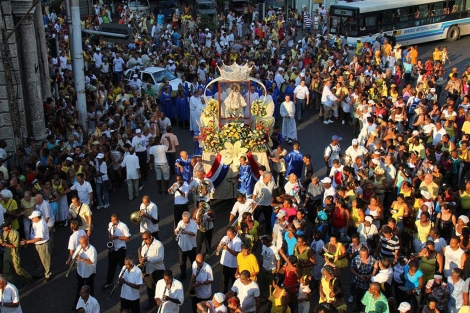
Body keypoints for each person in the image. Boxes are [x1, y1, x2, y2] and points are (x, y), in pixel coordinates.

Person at [19, 211, 51, 282]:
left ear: (37, 218)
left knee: (45, 260)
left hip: (42, 244)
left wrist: (26, 242)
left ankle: (48, 274)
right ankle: (38, 273)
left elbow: (38, 238)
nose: (32, 219)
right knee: (36, 259)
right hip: (36, 243)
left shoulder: (41, 225)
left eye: (33, 218)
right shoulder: (36, 222)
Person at [102, 214, 130, 290]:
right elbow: (109, 232)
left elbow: (128, 238)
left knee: (123, 266)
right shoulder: (110, 224)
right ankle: (109, 282)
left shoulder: (123, 226)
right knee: (111, 266)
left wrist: (117, 237)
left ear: (118, 219)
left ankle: (127, 281)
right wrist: (110, 236)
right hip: (113, 248)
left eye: (114, 220)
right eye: (112, 220)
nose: (113, 222)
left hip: (121, 248)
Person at [1, 219, 32, 285]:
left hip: (14, 252)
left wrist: (5, 244)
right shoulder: (4, 232)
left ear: (9, 226)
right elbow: (4, 241)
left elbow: (15, 246)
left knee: (18, 270)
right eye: (3, 227)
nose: (3, 228)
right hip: (7, 252)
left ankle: (28, 277)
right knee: (7, 270)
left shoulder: (15, 233)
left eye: (5, 227)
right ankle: (10, 284)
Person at [69, 235, 97, 306]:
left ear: (87, 242)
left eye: (82, 243)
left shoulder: (92, 250)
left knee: (89, 289)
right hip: (80, 272)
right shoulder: (79, 247)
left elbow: (92, 262)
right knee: (79, 289)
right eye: (80, 243)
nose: (81, 245)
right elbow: (74, 257)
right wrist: (74, 259)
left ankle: (91, 304)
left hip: (89, 273)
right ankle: (77, 304)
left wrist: (82, 259)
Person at [218, 226, 243, 293]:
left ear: (234, 233)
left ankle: (234, 296)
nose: (228, 236)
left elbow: (237, 253)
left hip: (233, 265)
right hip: (224, 263)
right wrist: (221, 245)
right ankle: (223, 294)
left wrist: (228, 249)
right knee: (223, 281)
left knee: (233, 282)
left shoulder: (238, 241)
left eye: (230, 234)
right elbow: (217, 249)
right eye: (227, 234)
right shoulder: (225, 238)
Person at [175, 211, 197, 280]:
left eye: (186, 220)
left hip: (191, 246)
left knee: (193, 261)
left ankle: (194, 274)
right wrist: (177, 231)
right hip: (182, 246)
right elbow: (176, 230)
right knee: (182, 262)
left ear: (189, 218)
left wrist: (187, 232)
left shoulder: (193, 224)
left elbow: (194, 233)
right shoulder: (180, 222)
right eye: (183, 219)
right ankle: (183, 275)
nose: (184, 221)